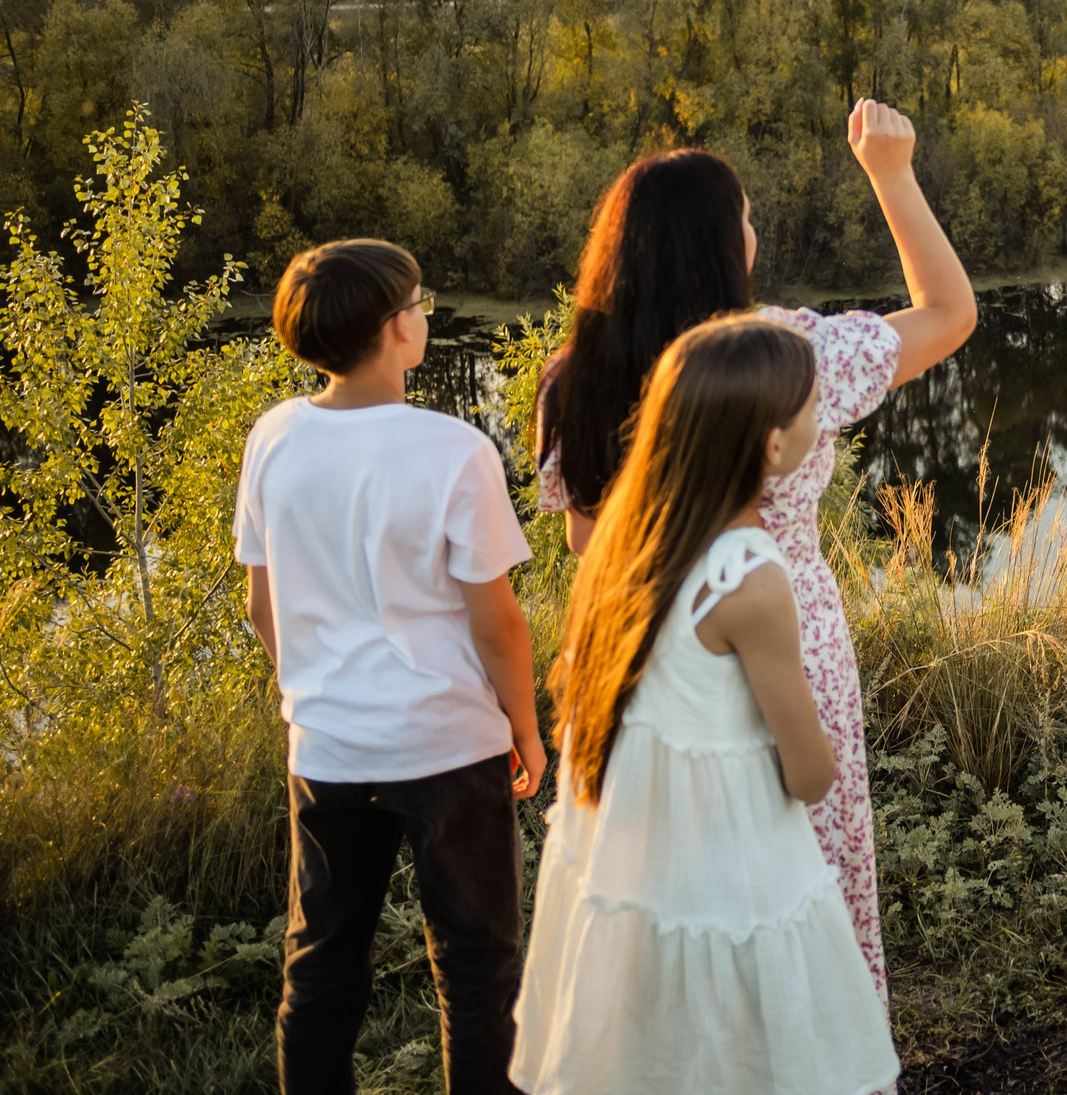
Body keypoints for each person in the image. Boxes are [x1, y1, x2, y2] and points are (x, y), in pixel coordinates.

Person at [532, 99, 974, 1003]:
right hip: (783, 630)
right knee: (799, 866)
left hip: (638, 646)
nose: (754, 228)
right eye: (744, 217)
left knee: (674, 888)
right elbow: (949, 311)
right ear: (719, 247)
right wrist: (892, 174)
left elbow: (583, 536)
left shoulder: (573, 375)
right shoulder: (784, 350)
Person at [512, 312, 899, 1095]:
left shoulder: (619, 545)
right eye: (810, 412)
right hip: (739, 864)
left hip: (639, 866)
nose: (819, 422)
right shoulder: (750, 574)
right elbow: (810, 773)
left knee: (660, 1050)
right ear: (771, 446)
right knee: (749, 1050)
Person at [236, 239, 541, 1095]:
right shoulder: (453, 450)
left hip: (326, 745)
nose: (425, 313)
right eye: (419, 302)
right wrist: (525, 727)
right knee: (478, 966)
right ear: (393, 329)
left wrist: (312, 695)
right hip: (447, 744)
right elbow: (499, 623)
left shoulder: (274, 436)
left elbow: (263, 608)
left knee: (323, 958)